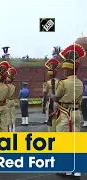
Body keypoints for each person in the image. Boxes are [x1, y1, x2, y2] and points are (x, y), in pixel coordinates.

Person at [49, 43, 86, 178]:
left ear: (68, 70)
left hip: (65, 114)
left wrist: (51, 93)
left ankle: (66, 169)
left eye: (65, 69)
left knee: (64, 141)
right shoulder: (81, 83)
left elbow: (57, 98)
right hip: (77, 113)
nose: (64, 71)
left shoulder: (63, 83)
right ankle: (77, 170)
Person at [42, 58, 60, 131]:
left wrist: (43, 106)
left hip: (51, 103)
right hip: (59, 103)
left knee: (51, 121)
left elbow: (44, 95)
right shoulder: (60, 82)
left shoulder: (47, 83)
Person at [6, 67, 18, 132]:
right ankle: (14, 128)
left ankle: (9, 128)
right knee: (13, 114)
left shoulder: (6, 86)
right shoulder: (14, 86)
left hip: (8, 100)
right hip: (13, 100)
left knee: (8, 115)